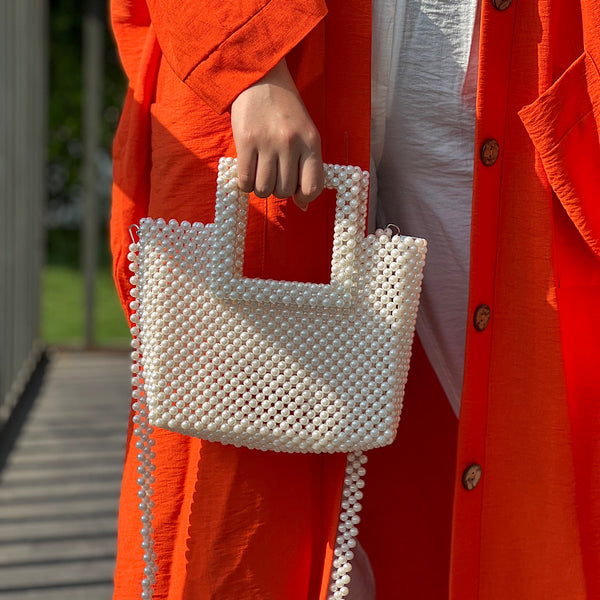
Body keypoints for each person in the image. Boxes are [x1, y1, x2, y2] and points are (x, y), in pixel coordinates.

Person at [110, 0, 600, 598]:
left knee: (532, 440)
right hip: (285, 63)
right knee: (245, 472)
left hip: (516, 64)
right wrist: (248, 65)